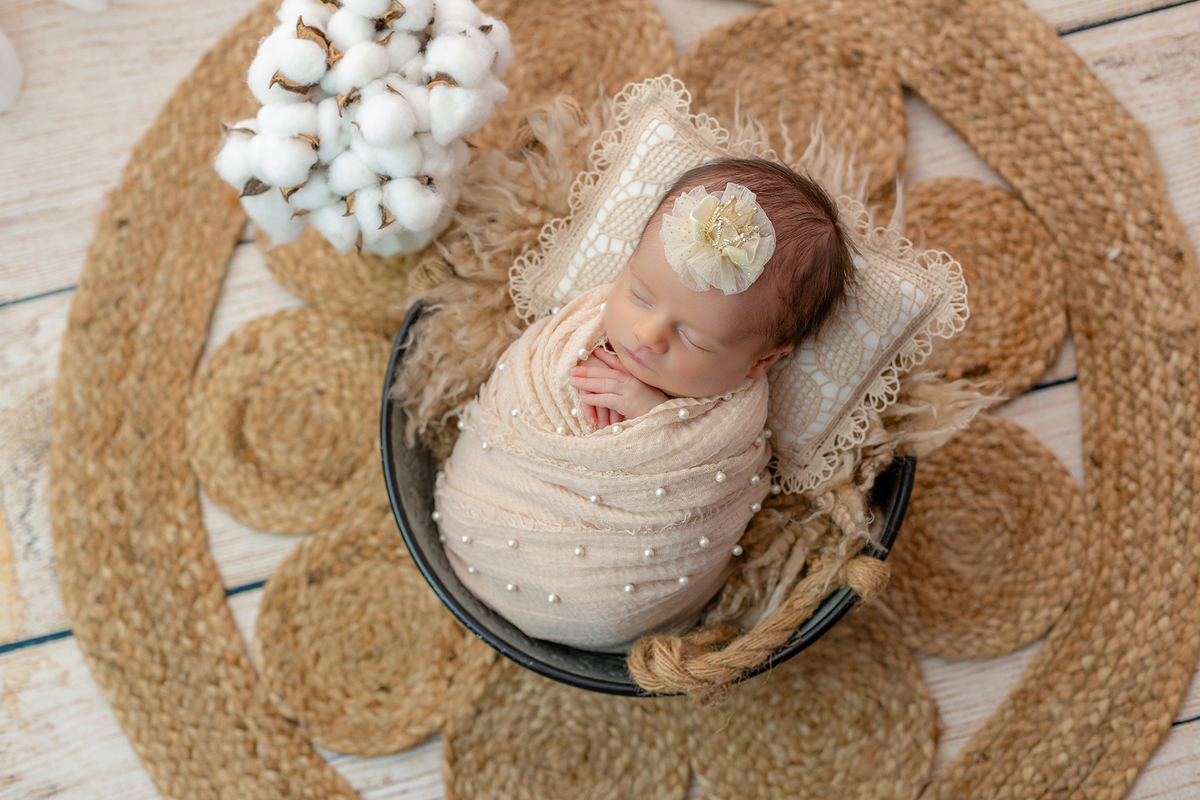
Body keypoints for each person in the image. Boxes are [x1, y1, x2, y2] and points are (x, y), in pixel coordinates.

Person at [433, 157, 856, 651]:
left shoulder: (732, 421)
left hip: (608, 600)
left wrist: (650, 419)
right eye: (640, 294)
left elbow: (704, 476)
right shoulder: (580, 328)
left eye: (694, 339)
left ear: (760, 362)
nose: (648, 335)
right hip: (478, 517)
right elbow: (530, 380)